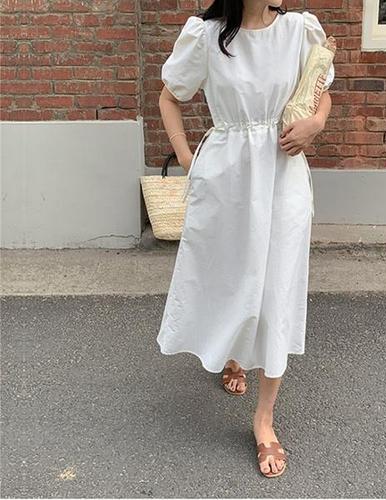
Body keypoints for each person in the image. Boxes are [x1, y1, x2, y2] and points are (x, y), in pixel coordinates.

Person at [156, 0, 334, 478]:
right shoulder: (206, 36)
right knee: (233, 277)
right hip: (226, 180)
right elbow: (170, 97)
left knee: (277, 289)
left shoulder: (300, 30)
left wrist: (316, 123)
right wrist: (188, 159)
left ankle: (264, 419)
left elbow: (319, 90)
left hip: (282, 177)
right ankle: (234, 356)